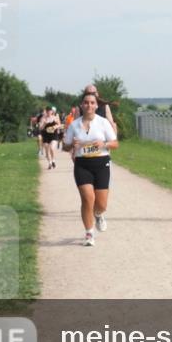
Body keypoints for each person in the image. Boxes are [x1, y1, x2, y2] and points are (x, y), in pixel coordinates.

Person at [62, 93, 118, 247]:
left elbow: (115, 143)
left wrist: (104, 144)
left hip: (101, 164)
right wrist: (71, 144)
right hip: (82, 164)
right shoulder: (74, 125)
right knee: (87, 199)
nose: (89, 105)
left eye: (92, 103)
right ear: (82, 105)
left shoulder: (103, 123)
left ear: (96, 105)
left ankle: (98, 215)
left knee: (101, 204)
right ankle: (89, 233)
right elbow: (65, 146)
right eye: (86, 102)